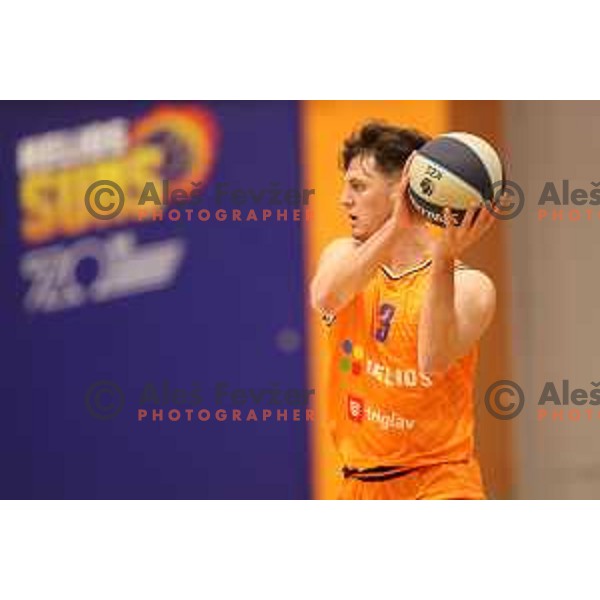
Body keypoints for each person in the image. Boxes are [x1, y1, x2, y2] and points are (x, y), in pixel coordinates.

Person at [310, 122, 498, 499]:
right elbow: (326, 297)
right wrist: (397, 228)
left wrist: (443, 256)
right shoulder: (343, 255)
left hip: (441, 482)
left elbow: (432, 358)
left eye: (358, 186)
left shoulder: (471, 287)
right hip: (360, 485)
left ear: (404, 189)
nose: (343, 199)